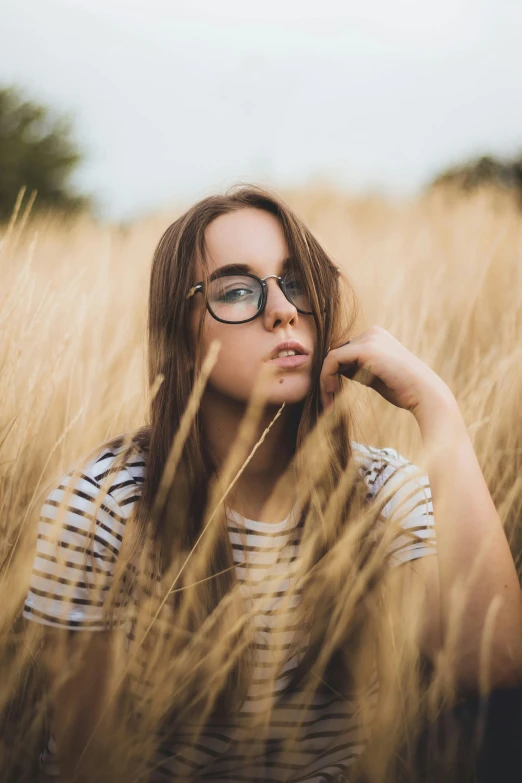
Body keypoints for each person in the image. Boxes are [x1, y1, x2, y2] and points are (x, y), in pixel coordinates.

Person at [22, 184, 522, 783]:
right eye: (236, 290)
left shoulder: (381, 491)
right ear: (182, 335)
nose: (281, 309)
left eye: (297, 282)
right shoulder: (101, 505)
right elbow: (90, 765)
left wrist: (437, 409)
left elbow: (496, 676)